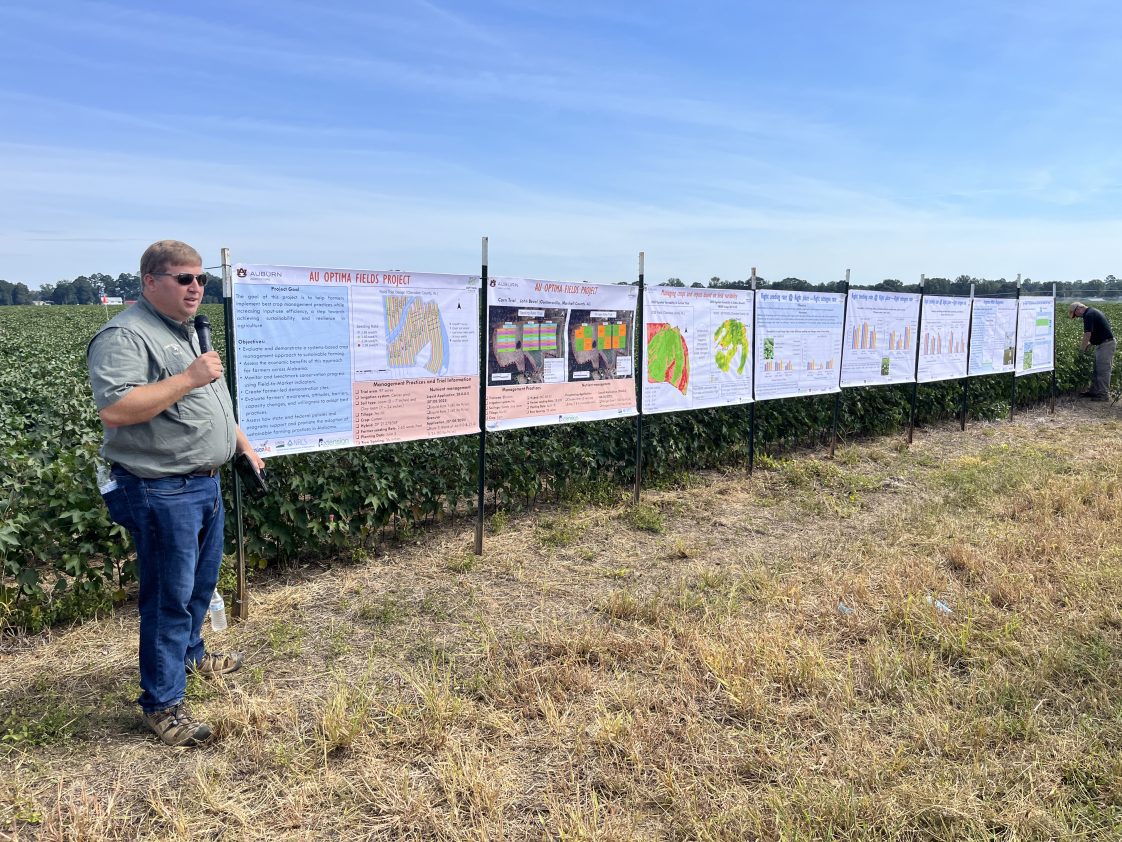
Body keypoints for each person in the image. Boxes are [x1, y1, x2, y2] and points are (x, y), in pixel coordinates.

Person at [87, 240, 265, 747]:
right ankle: (162, 703)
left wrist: (243, 448)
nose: (195, 288)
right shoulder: (125, 335)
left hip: (203, 483)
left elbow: (216, 404)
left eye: (200, 279)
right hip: (161, 489)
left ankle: (192, 655)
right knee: (168, 598)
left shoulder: (189, 333)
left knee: (198, 587)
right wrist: (188, 378)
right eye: (182, 279)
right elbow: (117, 409)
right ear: (150, 281)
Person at [1069, 301, 1116, 401]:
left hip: (1106, 344)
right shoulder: (1093, 311)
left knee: (1103, 370)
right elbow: (1100, 330)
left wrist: (1082, 349)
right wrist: (1090, 344)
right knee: (1097, 369)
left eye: (1075, 314)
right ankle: (1094, 391)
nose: (1077, 317)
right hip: (1103, 343)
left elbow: (1087, 334)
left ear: (1079, 309)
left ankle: (1103, 395)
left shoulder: (1088, 315)